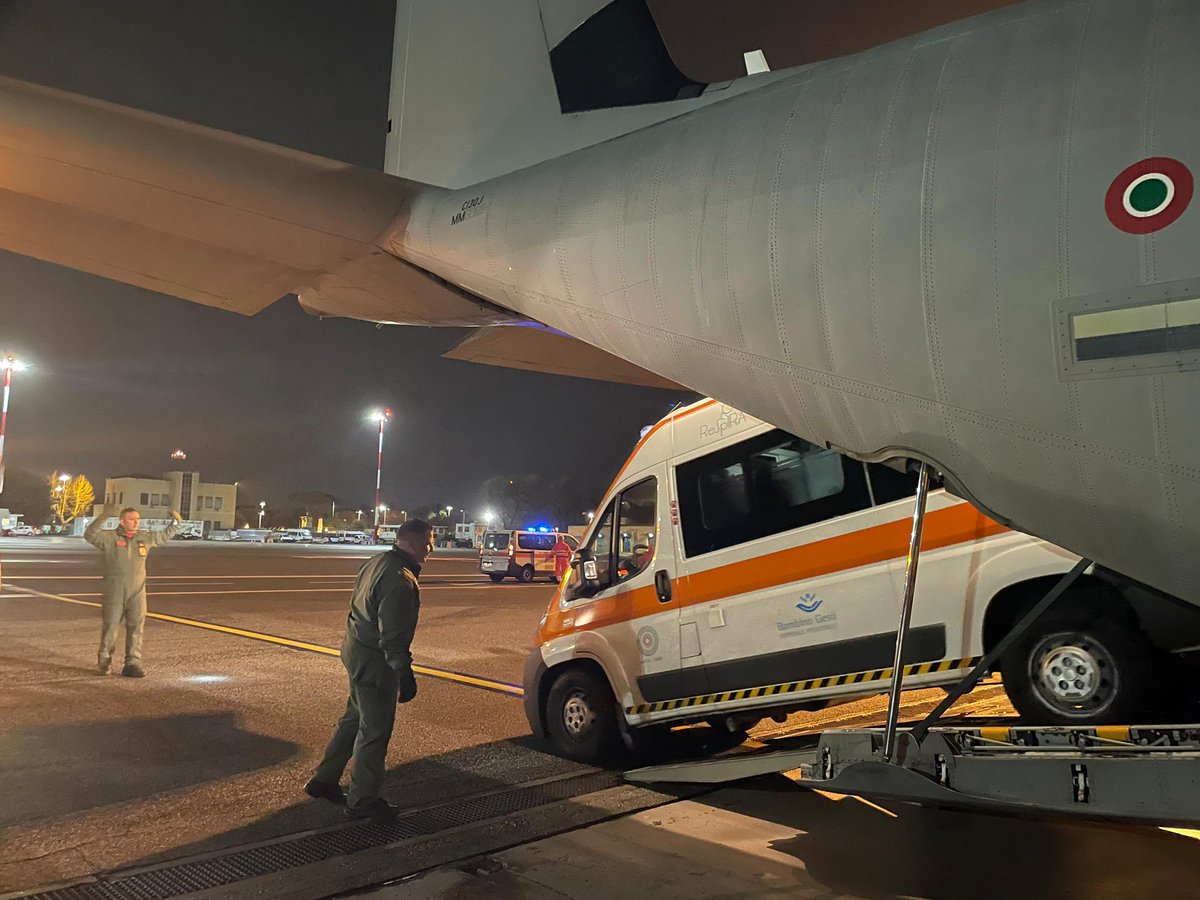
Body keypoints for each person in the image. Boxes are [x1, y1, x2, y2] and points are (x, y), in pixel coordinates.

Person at [306, 518, 434, 822]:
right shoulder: (400, 579)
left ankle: (323, 780)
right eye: (429, 542)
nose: (431, 548)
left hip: (355, 650)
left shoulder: (376, 562)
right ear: (414, 543)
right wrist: (404, 672)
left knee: (354, 718)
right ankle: (362, 800)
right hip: (376, 662)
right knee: (375, 730)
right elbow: (392, 634)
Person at [84, 506, 181, 677]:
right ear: (122, 521)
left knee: (136, 627)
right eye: (132, 519)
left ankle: (132, 663)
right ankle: (104, 662)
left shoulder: (144, 537)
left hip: (137, 591)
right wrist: (103, 517)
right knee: (111, 627)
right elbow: (90, 535)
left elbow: (164, 536)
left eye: (138, 519)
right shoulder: (110, 538)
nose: (137, 522)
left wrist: (176, 522)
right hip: (114, 590)